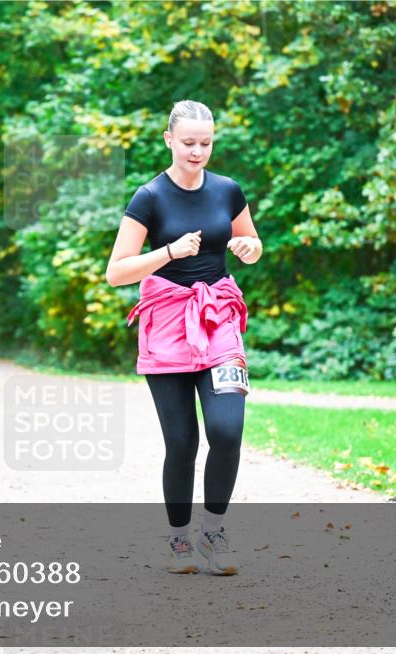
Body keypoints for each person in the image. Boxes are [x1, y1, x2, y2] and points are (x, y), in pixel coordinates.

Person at [106, 100, 263, 575]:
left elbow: (252, 246)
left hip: (219, 318)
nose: (198, 152)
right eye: (189, 143)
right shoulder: (149, 197)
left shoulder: (228, 191)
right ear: (169, 139)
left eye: (206, 143)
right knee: (182, 440)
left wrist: (247, 247)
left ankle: (213, 532)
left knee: (227, 430)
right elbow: (117, 272)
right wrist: (168, 252)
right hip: (169, 324)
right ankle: (178, 540)